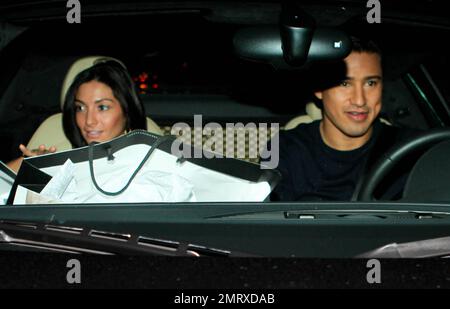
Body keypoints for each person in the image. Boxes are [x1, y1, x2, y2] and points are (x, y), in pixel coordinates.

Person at [271, 36, 416, 201]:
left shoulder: (410, 148)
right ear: (319, 89)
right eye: (344, 84)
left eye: (371, 83)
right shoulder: (285, 149)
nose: (360, 100)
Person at [7, 59, 147, 172]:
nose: (89, 121)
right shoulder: (66, 167)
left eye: (102, 107)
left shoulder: (151, 163)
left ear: (127, 112)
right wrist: (32, 164)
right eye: (80, 108)